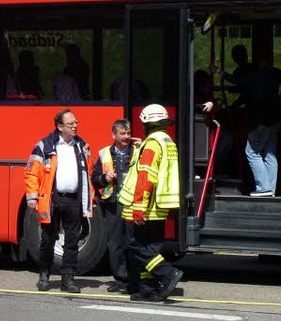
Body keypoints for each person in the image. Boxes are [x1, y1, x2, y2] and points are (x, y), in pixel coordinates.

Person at [117, 104, 184, 302]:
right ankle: (149, 289)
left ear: (147, 123)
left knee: (135, 245)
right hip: (160, 205)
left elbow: (146, 177)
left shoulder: (152, 144)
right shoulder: (166, 141)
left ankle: (167, 273)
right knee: (150, 248)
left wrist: (138, 207)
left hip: (146, 206)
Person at [24, 109, 94, 294]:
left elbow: (89, 174)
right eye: (71, 124)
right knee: (47, 239)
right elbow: (32, 173)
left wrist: (90, 199)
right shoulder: (45, 146)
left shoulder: (82, 146)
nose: (75, 126)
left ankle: (68, 279)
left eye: (76, 123)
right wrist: (32, 197)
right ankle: (44, 275)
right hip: (53, 200)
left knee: (72, 241)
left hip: (74, 200)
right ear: (60, 126)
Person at [222, 56, 281, 196]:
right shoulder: (276, 73)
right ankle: (271, 189)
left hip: (260, 120)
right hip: (276, 117)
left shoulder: (254, 75)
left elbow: (236, 81)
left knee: (252, 152)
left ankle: (264, 188)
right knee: (270, 154)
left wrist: (218, 72)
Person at [90, 119, 139, 293]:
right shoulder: (104, 153)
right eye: (122, 133)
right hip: (112, 204)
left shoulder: (138, 151)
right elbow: (95, 179)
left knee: (132, 243)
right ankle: (120, 280)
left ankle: (134, 281)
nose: (126, 137)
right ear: (114, 135)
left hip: (133, 204)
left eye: (128, 133)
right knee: (115, 244)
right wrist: (105, 178)